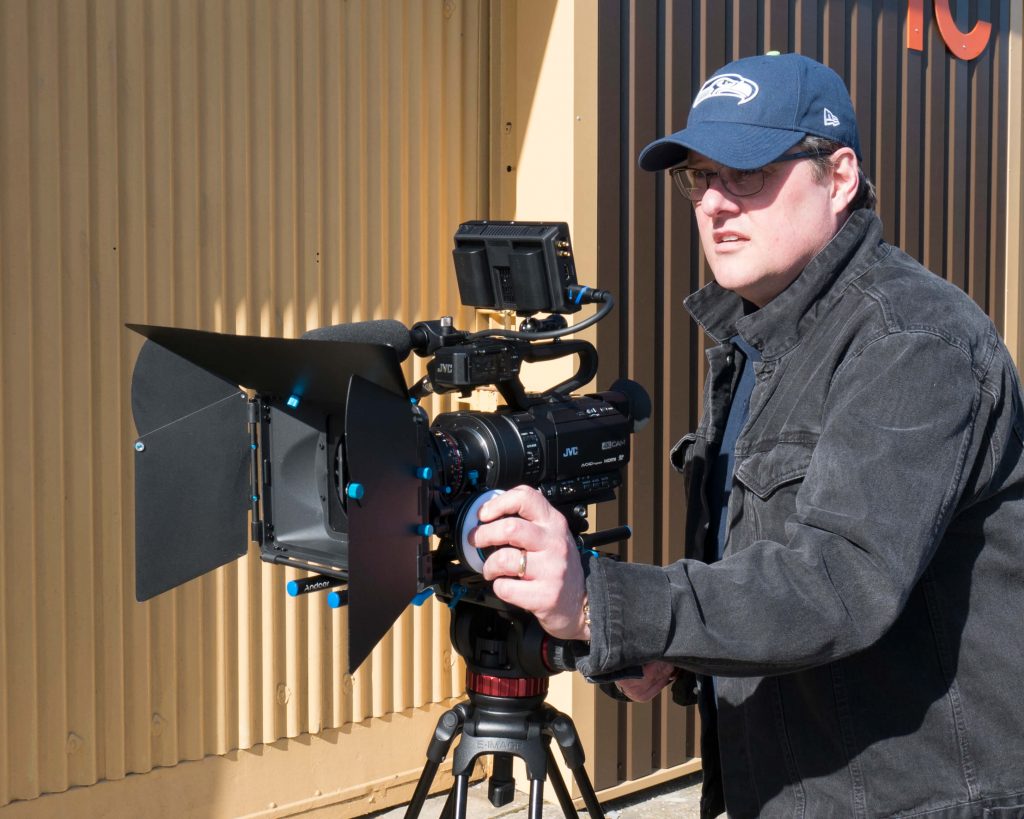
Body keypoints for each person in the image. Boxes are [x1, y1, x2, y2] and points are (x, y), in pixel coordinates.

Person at [468, 53, 1024, 818]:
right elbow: (757, 568)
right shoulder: (756, 342)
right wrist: (659, 647)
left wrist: (606, 602)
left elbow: (838, 581)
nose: (714, 203)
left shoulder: (913, 339)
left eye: (748, 173)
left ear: (839, 177)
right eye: (699, 177)